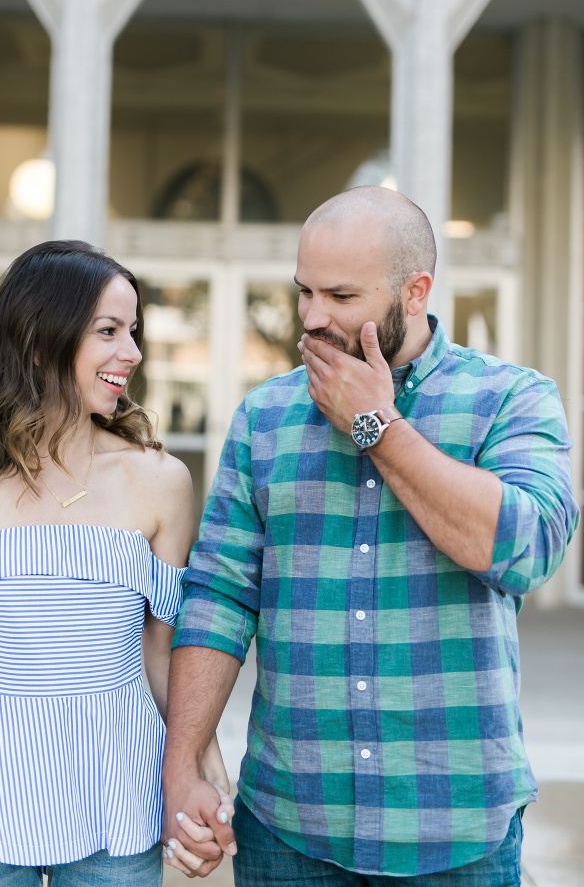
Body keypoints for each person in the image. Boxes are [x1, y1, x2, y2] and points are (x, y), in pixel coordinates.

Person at [161, 187, 579, 886]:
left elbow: (525, 549)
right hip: (290, 831)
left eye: (341, 296)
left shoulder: (512, 398)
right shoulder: (265, 417)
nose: (313, 317)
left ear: (414, 293)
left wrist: (377, 426)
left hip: (457, 831)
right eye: (304, 293)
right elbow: (218, 598)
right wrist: (182, 768)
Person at [0, 240, 230, 887]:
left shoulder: (161, 482)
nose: (133, 352)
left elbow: (164, 652)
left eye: (134, 331)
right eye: (108, 331)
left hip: (115, 797)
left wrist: (202, 769)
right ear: (41, 341)